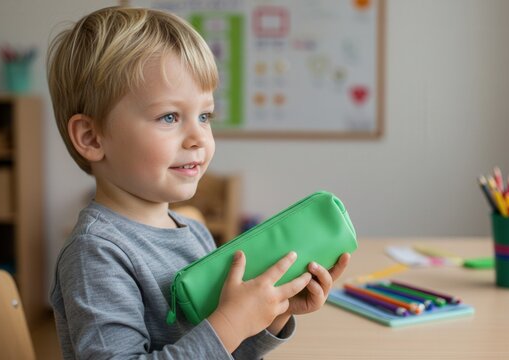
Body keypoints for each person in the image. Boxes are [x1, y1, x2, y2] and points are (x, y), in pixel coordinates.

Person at [47, 6, 351, 359]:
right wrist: (231, 322)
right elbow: (218, 337)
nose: (198, 138)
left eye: (204, 116)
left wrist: (273, 314)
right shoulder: (95, 253)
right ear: (92, 137)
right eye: (169, 116)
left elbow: (220, 351)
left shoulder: (193, 232)